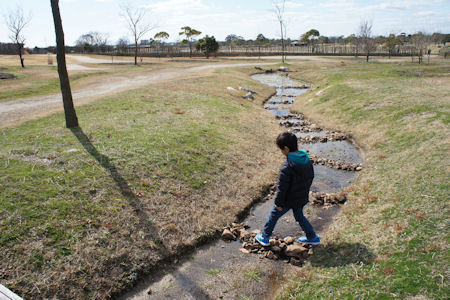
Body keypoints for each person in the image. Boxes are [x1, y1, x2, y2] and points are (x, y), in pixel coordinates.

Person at [256, 131, 320, 246]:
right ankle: (312, 237)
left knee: (274, 215)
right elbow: (311, 177)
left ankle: (265, 237)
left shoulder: (287, 166)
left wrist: (278, 203)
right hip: (301, 197)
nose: (281, 152)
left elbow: (282, 188)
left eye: (281, 150)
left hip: (288, 200)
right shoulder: (306, 159)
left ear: (286, 148)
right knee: (299, 216)